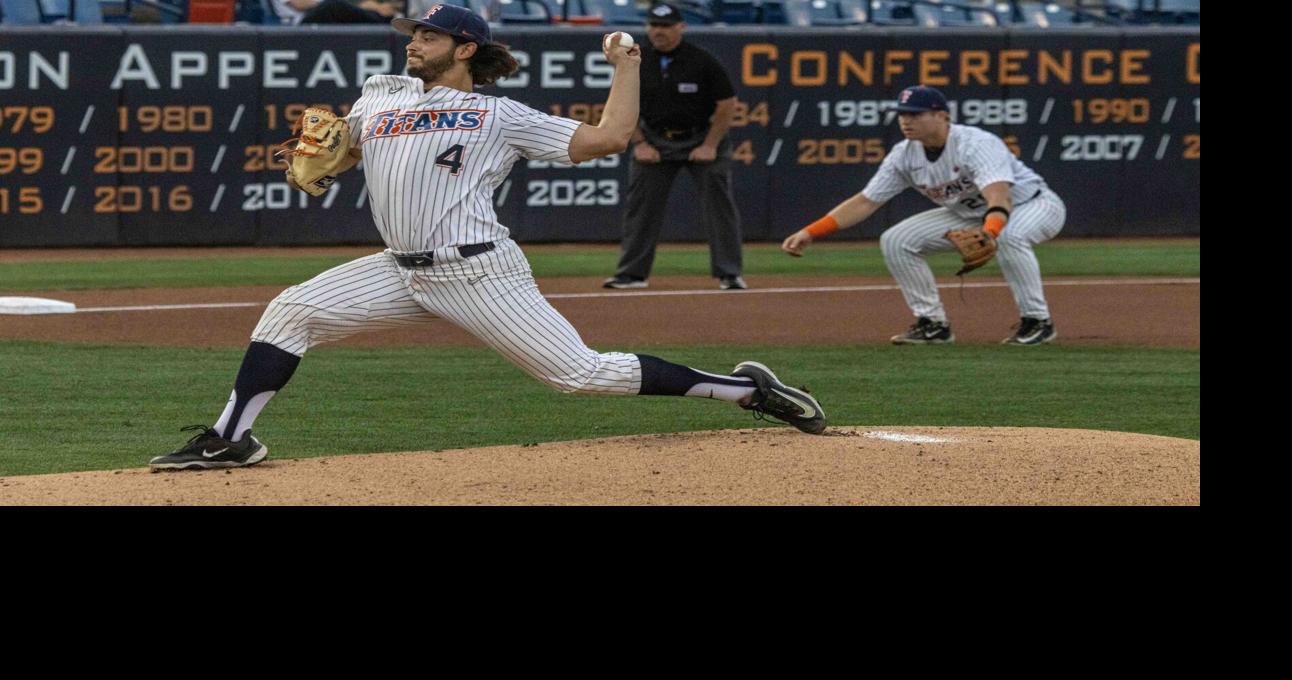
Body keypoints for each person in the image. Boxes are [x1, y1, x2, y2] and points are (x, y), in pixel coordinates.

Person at [148, 6, 822, 471]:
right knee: (291, 309)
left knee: (580, 375)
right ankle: (231, 440)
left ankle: (741, 390)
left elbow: (609, 138)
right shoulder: (378, 98)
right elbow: (343, 155)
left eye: (430, 35)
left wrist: (627, 64)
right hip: (400, 269)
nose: (414, 40)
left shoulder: (498, 115)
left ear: (464, 48)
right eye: (413, 32)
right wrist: (321, 156)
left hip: (476, 272)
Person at [781, 85, 1067, 346]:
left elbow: (999, 195)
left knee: (1011, 236)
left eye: (915, 114)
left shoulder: (976, 143)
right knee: (896, 240)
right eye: (902, 114)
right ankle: (932, 324)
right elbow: (866, 202)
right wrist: (811, 231)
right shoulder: (904, 155)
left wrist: (990, 232)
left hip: (1033, 205)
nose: (906, 121)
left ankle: (1037, 321)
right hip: (972, 215)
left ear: (942, 115)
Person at [602, 3, 746, 292]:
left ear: (681, 27)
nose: (659, 31)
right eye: (654, 25)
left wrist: (710, 145)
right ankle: (632, 274)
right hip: (654, 139)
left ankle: (729, 273)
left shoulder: (701, 60)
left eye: (666, 26)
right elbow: (623, 106)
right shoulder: (635, 61)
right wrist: (640, 143)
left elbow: (727, 104)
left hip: (699, 137)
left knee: (719, 206)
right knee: (641, 208)